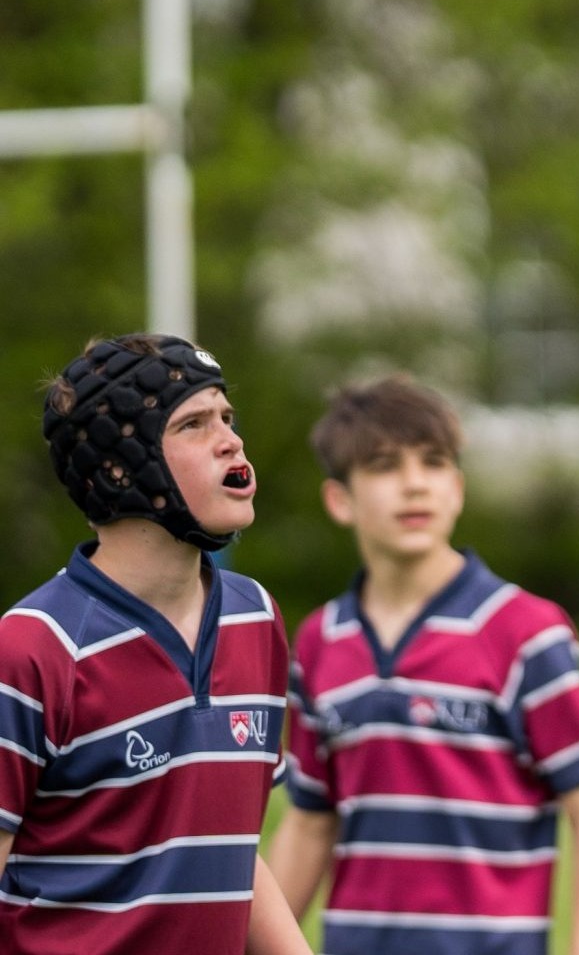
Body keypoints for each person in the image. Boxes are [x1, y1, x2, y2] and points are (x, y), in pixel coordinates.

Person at [266, 374, 579, 955]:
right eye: (383, 466)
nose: (414, 486)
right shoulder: (317, 643)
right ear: (340, 499)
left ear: (456, 489)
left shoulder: (523, 632)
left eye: (432, 463)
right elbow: (310, 822)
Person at [0, 334, 311, 955]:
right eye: (193, 424)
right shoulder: (32, 647)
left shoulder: (256, 617)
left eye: (227, 416)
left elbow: (225, 846)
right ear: (118, 467)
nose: (231, 440)